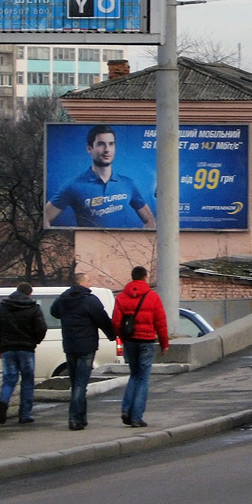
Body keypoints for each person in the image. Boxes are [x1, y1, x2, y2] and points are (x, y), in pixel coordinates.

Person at [44, 124, 156, 229]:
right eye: (101, 144)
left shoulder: (128, 183)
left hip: (122, 249)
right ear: (89, 148)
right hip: (90, 249)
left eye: (111, 144)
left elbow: (150, 220)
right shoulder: (73, 186)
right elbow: (45, 217)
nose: (107, 149)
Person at [50, 273, 117, 431]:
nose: (90, 283)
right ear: (82, 283)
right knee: (81, 384)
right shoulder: (89, 300)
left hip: (70, 346)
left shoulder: (63, 299)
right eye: (88, 280)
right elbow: (102, 319)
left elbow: (54, 312)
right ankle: (75, 418)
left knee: (76, 383)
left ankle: (81, 418)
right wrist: (112, 335)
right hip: (86, 347)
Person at [113, 266, 169, 428]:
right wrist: (164, 344)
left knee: (134, 375)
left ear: (132, 277)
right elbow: (161, 323)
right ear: (144, 278)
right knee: (143, 378)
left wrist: (123, 337)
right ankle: (136, 417)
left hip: (130, 341)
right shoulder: (153, 297)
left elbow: (116, 322)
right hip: (146, 341)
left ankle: (126, 409)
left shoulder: (122, 297)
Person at [0, 282, 47, 425]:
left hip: (7, 349)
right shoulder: (33, 308)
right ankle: (25, 415)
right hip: (26, 349)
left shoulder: (2, 307)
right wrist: (34, 341)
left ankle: (3, 402)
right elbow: (42, 328)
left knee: (9, 380)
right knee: (27, 381)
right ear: (29, 293)